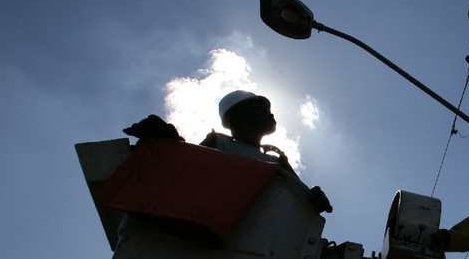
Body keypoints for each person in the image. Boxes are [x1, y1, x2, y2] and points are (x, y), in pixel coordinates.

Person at [122, 90, 331, 213]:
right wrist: (169, 143)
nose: (271, 113)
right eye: (260, 108)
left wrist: (312, 201)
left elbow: (295, 201)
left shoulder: (276, 161)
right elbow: (186, 175)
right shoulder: (219, 144)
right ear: (237, 116)